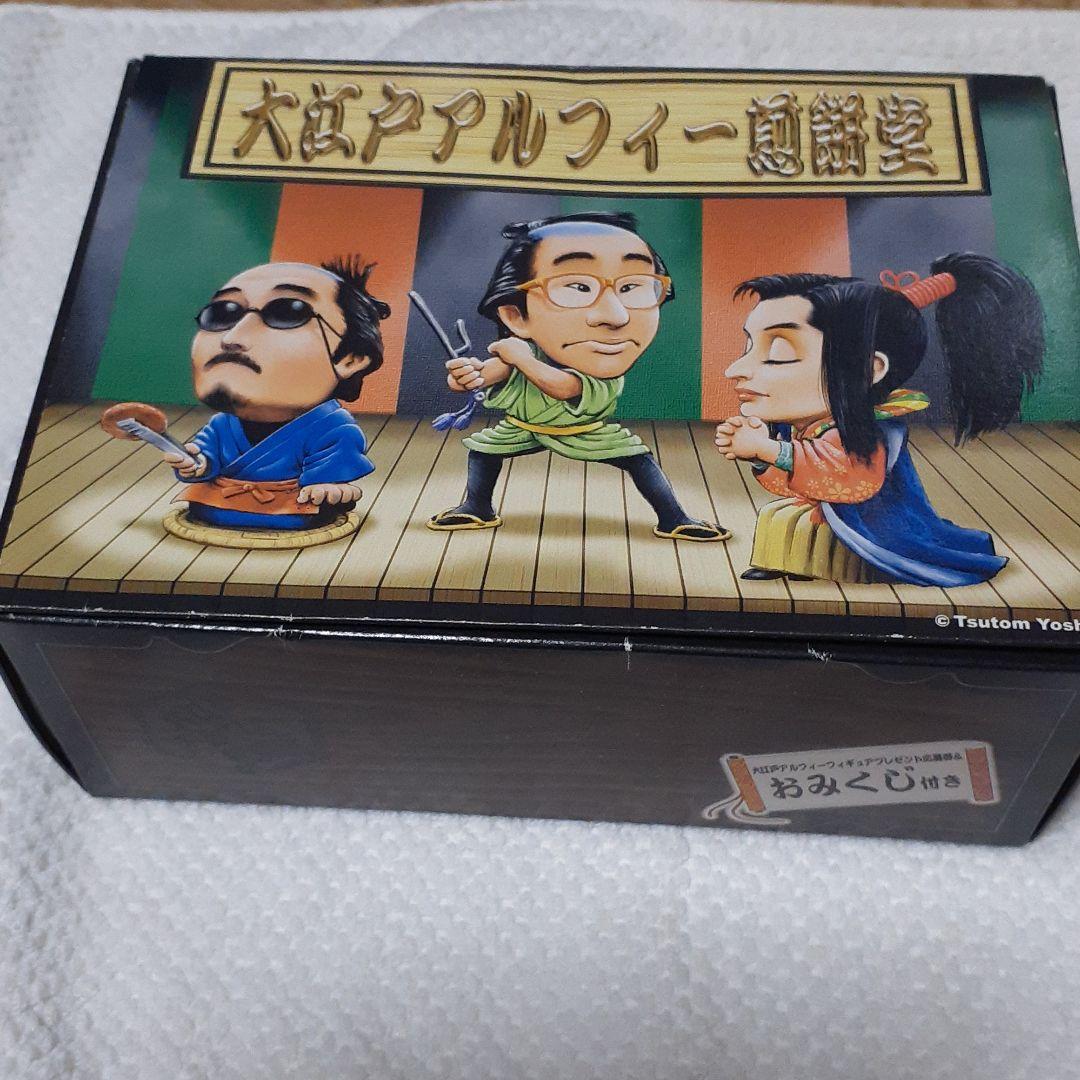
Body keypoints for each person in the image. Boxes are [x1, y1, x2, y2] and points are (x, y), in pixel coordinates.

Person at [715, 254, 1044, 586]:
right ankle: (784, 563)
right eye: (749, 347)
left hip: (873, 521)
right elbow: (801, 480)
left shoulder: (868, 432)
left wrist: (768, 450)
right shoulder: (808, 424)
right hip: (832, 507)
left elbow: (853, 480)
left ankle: (829, 569)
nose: (734, 369)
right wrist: (761, 457)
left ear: (867, 370)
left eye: (778, 353)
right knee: (779, 513)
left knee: (808, 525)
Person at [428, 211, 730, 542]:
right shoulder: (524, 350)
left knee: (637, 459)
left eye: (632, 287)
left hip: (584, 431)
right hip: (523, 427)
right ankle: (476, 506)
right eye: (577, 287)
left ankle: (674, 518)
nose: (617, 316)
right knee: (484, 451)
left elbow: (563, 387)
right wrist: (467, 375)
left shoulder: (601, 364)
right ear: (515, 315)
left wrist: (521, 359)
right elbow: (489, 374)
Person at [165, 259, 389, 531]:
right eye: (222, 313)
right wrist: (195, 463)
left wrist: (328, 489)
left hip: (291, 509)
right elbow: (206, 458)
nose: (232, 337)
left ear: (350, 358)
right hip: (215, 505)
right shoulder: (222, 424)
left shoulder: (334, 429)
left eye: (288, 312)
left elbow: (334, 475)